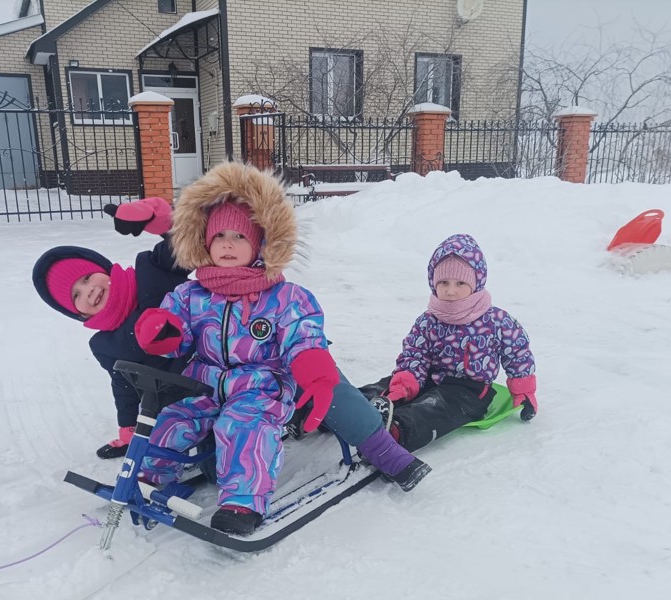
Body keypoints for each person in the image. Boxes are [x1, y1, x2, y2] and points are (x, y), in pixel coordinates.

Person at [131, 162, 429, 536]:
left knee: (243, 427)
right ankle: (149, 476)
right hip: (203, 383)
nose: (227, 243)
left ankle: (242, 502)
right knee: (173, 418)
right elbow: (177, 334)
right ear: (203, 239)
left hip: (260, 387)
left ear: (261, 242)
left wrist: (316, 371)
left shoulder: (284, 297)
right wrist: (162, 330)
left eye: (239, 237)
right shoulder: (191, 294)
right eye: (218, 234)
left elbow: (303, 338)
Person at [31, 197, 189, 459]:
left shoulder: (152, 270)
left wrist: (157, 217)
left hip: (222, 370)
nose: (89, 290)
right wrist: (129, 428)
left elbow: (189, 239)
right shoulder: (105, 345)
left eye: (86, 278)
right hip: (177, 405)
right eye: (76, 296)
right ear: (78, 313)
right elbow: (124, 384)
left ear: (103, 269)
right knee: (158, 456)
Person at [365, 233, 537, 453]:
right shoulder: (429, 320)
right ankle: (350, 408)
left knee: (435, 408)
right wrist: (405, 384)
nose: (450, 290)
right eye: (443, 282)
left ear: (476, 283)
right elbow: (415, 354)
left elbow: (518, 353)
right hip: (430, 378)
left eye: (460, 283)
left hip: (469, 390)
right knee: (389, 385)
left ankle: (398, 428)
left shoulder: (496, 320)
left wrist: (524, 391)